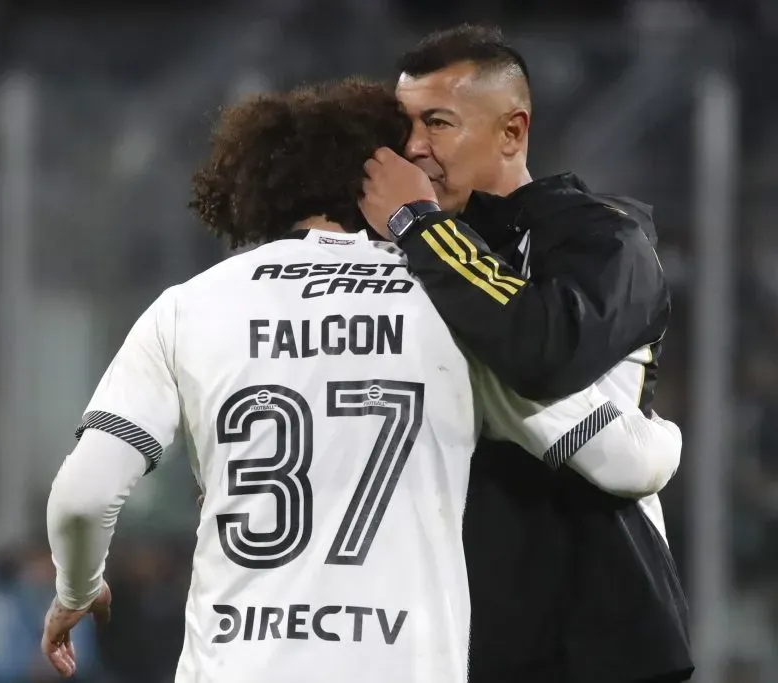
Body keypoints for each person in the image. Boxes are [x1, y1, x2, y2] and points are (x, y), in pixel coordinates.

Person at [39, 78, 682, 683]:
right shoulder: (453, 311)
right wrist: (667, 437)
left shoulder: (190, 306)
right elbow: (620, 461)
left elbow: (83, 493)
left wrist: (78, 586)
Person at [358, 24, 692, 683]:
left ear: (512, 132)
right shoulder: (408, 255)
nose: (414, 148)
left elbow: (541, 350)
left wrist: (418, 226)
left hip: (599, 639)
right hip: (455, 640)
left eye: (438, 123)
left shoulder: (606, 240)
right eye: (403, 126)